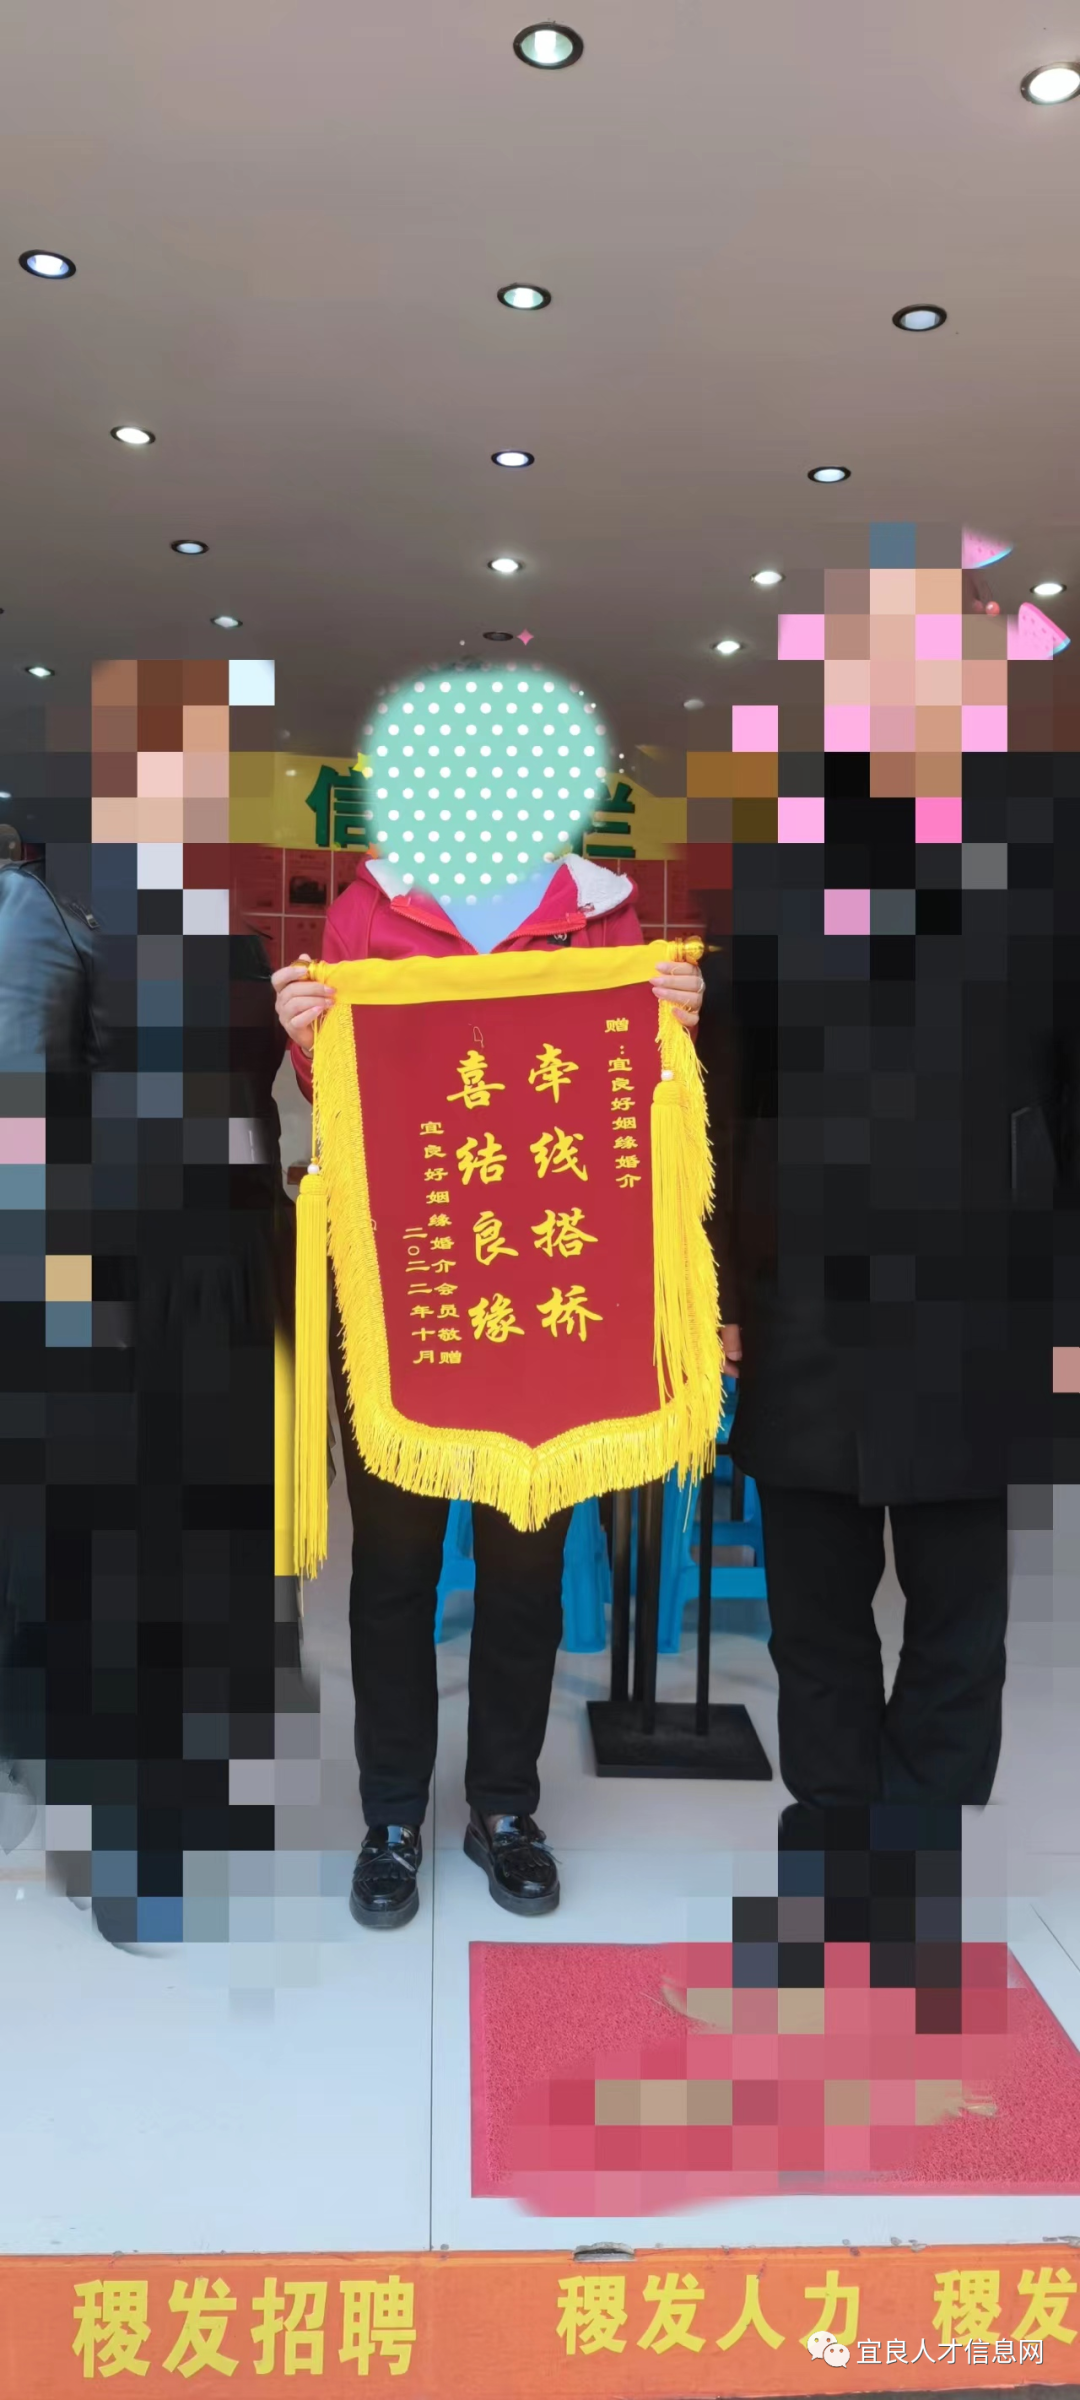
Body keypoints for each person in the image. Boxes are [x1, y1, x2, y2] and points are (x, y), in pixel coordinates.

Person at [699, 543, 1079, 1831]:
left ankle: (920, 1842)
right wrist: (723, 1284)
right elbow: (732, 1089)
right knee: (813, 1605)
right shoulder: (783, 851)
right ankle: (833, 1825)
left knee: (960, 1609)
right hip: (804, 1292)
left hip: (979, 1294)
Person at [274, 849, 704, 1927]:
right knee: (395, 1572)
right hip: (407, 1282)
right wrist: (308, 1036)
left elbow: (639, 1090)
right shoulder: (372, 906)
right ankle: (391, 1815)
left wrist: (676, 1024)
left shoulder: (597, 913)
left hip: (543, 1286)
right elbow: (341, 1093)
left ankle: (505, 1806)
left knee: (527, 1566)